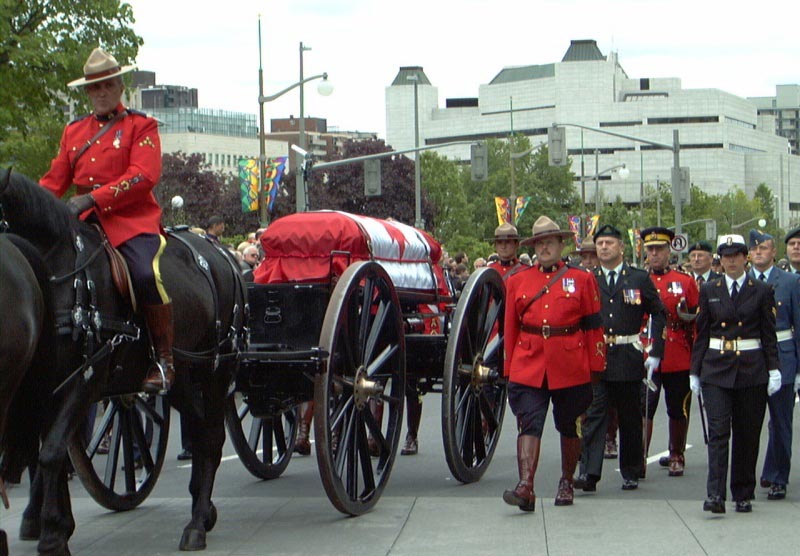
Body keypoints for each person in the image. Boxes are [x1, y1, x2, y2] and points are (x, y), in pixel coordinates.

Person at [39, 47, 174, 392]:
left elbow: (143, 175)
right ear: (87, 92)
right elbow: (55, 180)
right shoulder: (74, 132)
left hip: (131, 222)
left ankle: (163, 358)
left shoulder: (141, 125)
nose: (101, 93)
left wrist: (92, 197)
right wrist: (31, 206)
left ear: (119, 87)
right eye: (94, 88)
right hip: (84, 224)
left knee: (146, 273)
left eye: (107, 85)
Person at [502, 216, 605, 511]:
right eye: (539, 243)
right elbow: (511, 328)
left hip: (569, 362)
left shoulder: (583, 279)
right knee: (529, 422)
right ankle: (526, 486)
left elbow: (593, 326)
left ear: (561, 244)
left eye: (549, 242)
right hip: (529, 361)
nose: (544, 247)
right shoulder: (518, 281)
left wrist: (596, 364)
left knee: (568, 426)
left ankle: (566, 481)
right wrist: (510, 369)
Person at [691, 234, 780, 514]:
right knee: (718, 433)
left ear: (746, 257)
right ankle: (715, 494)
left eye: (736, 255)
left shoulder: (762, 290)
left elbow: (768, 335)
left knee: (747, 433)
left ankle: (743, 492)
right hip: (716, 368)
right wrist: (695, 370)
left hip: (752, 370)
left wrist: (774, 369)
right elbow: (702, 332)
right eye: (725, 256)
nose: (730, 260)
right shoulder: (710, 289)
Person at [575, 224, 664, 492]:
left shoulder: (637, 278)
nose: (603, 248)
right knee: (594, 415)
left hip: (627, 354)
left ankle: (631, 470)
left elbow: (659, 312)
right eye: (600, 243)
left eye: (609, 243)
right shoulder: (588, 278)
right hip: (598, 355)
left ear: (621, 247)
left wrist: (656, 351)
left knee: (629, 417)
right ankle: (589, 472)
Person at [640, 227, 699, 478]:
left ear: (668, 251)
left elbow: (696, 320)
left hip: (677, 352)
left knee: (678, 407)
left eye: (660, 249)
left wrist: (698, 360)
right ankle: (638, 455)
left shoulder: (685, 281)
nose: (655, 254)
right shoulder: (639, 280)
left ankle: (676, 454)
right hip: (648, 351)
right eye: (651, 249)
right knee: (644, 406)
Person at [748, 230, 800, 500]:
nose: (759, 253)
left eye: (764, 249)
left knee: (781, 422)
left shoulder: (791, 282)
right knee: (749, 422)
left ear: (773, 252)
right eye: (755, 249)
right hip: (751, 358)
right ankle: (749, 476)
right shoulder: (741, 281)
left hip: (783, 355)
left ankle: (779, 476)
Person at [571, 237, 619, 459]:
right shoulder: (577, 279)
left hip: (610, 341)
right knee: (582, 400)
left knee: (609, 400)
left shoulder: (606, 279)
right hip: (581, 343)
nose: (589, 261)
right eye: (585, 257)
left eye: (592, 256)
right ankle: (581, 441)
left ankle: (610, 438)